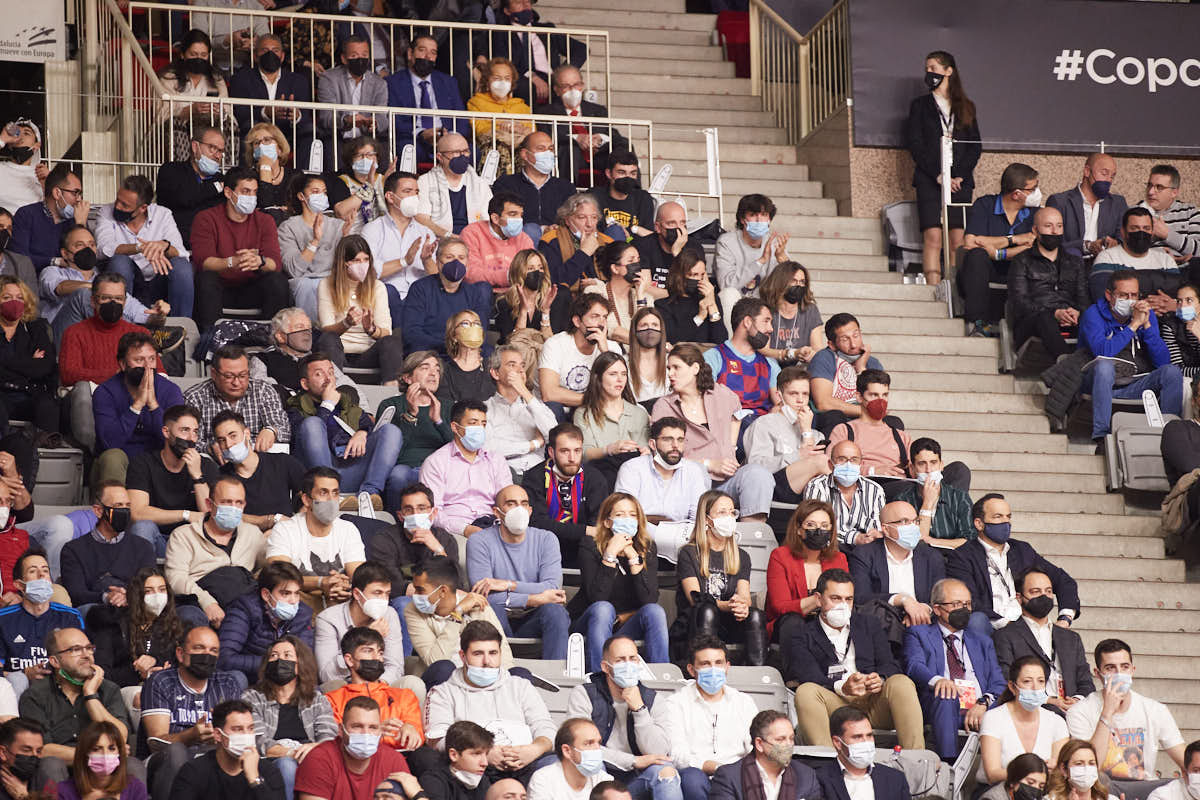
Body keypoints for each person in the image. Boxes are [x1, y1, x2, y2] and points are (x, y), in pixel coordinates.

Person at [787, 568, 924, 750]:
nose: (843, 605)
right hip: (835, 703)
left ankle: (917, 760)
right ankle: (827, 765)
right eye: (835, 598)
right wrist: (842, 687)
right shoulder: (801, 633)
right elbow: (808, 675)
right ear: (819, 599)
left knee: (901, 682)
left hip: (873, 701)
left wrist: (880, 679)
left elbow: (889, 664)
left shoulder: (869, 624)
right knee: (806, 691)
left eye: (848, 599)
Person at [422, 620, 556, 782]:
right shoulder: (442, 693)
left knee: (554, 765)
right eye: (478, 654)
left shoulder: (521, 686)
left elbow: (545, 726)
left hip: (526, 762)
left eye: (493, 653)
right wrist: (482, 753)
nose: (487, 661)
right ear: (463, 656)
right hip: (474, 768)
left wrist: (534, 749)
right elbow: (438, 740)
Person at [948, 493, 1080, 640]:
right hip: (991, 626)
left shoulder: (1022, 550)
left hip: (1026, 623)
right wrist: (1007, 625)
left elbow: (1063, 580)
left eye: (1008, 517)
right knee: (976, 620)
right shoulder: (962, 556)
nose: (1006, 523)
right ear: (979, 523)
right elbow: (970, 602)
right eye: (998, 517)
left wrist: (1065, 618)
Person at [903, 577, 1007, 760]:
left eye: (967, 604)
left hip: (980, 707)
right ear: (937, 609)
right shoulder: (919, 634)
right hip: (941, 704)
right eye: (957, 604)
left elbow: (998, 682)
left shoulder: (982, 641)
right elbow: (914, 665)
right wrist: (938, 681)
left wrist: (983, 703)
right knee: (946, 695)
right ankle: (949, 764)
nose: (964, 609)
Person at [564, 636, 676, 800]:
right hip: (599, 775)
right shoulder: (584, 694)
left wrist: (640, 710)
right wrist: (633, 760)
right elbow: (580, 748)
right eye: (620, 660)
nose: (628, 665)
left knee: (665, 770)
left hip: (635, 780)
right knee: (594, 763)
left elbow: (658, 753)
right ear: (605, 667)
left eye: (632, 659)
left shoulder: (653, 699)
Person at [139, 625, 244, 799]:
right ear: (180, 654)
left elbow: (237, 734)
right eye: (199, 648)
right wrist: (191, 735)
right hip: (164, 762)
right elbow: (156, 741)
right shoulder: (161, 681)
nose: (206, 655)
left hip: (212, 759)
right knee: (176, 751)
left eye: (213, 651)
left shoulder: (227, 684)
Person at [905, 50, 981, 286]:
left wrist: (958, 175)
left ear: (949, 71)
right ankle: (933, 288)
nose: (929, 73)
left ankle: (956, 288)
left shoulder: (966, 106)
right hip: (930, 179)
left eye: (934, 68)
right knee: (933, 236)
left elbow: (974, 146)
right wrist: (938, 175)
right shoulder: (919, 106)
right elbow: (915, 144)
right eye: (927, 68)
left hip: (960, 182)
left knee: (957, 238)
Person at [465, 484, 569, 659]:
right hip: (497, 616)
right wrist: (534, 599)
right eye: (511, 504)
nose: (518, 509)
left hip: (533, 617)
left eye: (523, 504)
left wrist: (507, 584)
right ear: (497, 512)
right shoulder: (479, 541)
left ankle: (556, 674)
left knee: (555, 612)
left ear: (529, 510)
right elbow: (483, 597)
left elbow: (553, 588)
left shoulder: (546, 539)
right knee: (488, 607)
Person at [1079, 270, 1183, 442]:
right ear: (1109, 295)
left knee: (1171, 372)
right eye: (1123, 295)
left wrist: (1148, 324)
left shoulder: (1144, 315)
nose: (1129, 300)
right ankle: (1101, 436)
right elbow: (1103, 352)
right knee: (1105, 366)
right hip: (1098, 383)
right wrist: (1134, 325)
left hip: (1134, 383)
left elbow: (1163, 362)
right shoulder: (1093, 314)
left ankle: (1169, 436)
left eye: (1134, 295)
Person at [1066, 639, 1185, 786]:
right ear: (1098, 673)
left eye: (1124, 667)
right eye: (1110, 668)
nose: (1119, 673)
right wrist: (1107, 713)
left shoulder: (1155, 710)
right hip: (1100, 791)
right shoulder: (1079, 712)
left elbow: (1185, 760)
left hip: (1145, 790)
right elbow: (1089, 767)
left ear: (1132, 670)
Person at [567, 494, 666, 670]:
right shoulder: (590, 545)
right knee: (604, 608)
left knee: (655, 611)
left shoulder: (647, 547)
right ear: (607, 522)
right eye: (620, 515)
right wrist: (610, 554)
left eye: (632, 515)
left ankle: (661, 675)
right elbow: (597, 597)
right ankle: (600, 676)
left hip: (624, 627)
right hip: (590, 622)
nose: (627, 520)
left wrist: (633, 557)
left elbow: (649, 600)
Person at [288, 353, 400, 507]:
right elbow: (299, 439)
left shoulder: (347, 404)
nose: (328, 379)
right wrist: (327, 405)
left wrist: (362, 433)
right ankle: (328, 493)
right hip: (316, 475)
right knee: (312, 423)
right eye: (319, 374)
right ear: (305, 384)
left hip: (351, 467)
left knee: (390, 431)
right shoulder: (295, 408)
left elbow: (369, 425)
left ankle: (369, 494)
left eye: (331, 372)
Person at [672, 490, 766, 666]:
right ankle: (704, 666)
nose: (729, 517)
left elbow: (744, 594)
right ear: (707, 519)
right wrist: (726, 605)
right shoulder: (689, 553)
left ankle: (757, 671)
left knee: (755, 615)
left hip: (729, 623)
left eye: (732, 512)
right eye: (722, 512)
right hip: (696, 622)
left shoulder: (741, 556)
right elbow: (695, 598)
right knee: (707, 611)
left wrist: (742, 605)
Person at [18, 626, 132, 769]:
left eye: (89, 648)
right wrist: (94, 756)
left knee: (133, 766)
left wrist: (91, 695)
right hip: (61, 768)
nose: (87, 655)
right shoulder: (35, 695)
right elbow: (42, 749)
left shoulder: (108, 689)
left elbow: (120, 738)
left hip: (105, 770)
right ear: (55, 662)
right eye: (76, 650)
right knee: (51, 765)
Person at [189, 166, 289, 330]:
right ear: (228, 193)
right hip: (220, 288)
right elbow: (204, 262)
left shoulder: (265, 221)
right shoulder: (206, 218)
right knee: (205, 279)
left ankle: (273, 339)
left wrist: (260, 261)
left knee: (277, 281)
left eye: (254, 192)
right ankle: (210, 339)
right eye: (245, 191)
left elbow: (275, 263)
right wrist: (232, 262)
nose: (251, 197)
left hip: (253, 287)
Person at [163, 475, 266, 628]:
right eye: (226, 502)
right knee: (189, 616)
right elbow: (176, 579)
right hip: (198, 602)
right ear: (209, 504)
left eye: (239, 503)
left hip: (241, 604)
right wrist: (207, 602)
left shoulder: (253, 534)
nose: (233, 508)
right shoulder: (183, 535)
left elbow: (270, 567)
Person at [661, 635, 756, 797]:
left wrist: (735, 771)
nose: (713, 669)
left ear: (727, 667)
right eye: (705, 664)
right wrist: (711, 766)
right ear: (691, 670)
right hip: (698, 773)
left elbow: (754, 746)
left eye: (718, 663)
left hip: (737, 773)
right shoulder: (675, 703)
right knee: (692, 778)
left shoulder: (743, 702)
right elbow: (676, 754)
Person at [992, 568, 1095, 714]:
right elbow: (1007, 679)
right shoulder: (1005, 636)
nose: (1044, 596)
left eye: (1048, 591)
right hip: (1032, 711)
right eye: (1035, 591)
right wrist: (1048, 700)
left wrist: (1076, 700)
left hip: (1074, 712)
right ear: (1019, 598)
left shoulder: (1071, 638)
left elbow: (1086, 681)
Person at [41, 227, 168, 342]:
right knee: (85, 295)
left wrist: (159, 314)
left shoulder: (106, 280)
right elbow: (60, 287)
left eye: (92, 244)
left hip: (97, 341)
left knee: (114, 300)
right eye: (80, 245)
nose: (87, 249)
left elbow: (141, 314)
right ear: (65, 253)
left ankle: (144, 338)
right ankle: (137, 339)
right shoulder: (52, 272)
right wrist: (98, 289)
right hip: (61, 338)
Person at [124, 401, 218, 556]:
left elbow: (210, 515)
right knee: (142, 527)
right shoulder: (143, 463)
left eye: (195, 432)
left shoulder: (206, 466)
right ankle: (146, 579)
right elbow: (137, 513)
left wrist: (197, 476)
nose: (191, 438)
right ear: (166, 432)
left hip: (192, 543)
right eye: (184, 430)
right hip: (157, 538)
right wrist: (186, 515)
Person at [95, 174, 194, 319]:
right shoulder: (106, 212)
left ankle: (180, 328)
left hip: (158, 280)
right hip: (127, 279)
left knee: (182, 266)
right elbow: (103, 249)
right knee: (120, 261)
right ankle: (119, 325)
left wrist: (164, 246)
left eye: (125, 205)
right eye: (118, 200)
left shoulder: (163, 214)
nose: (117, 206)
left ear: (142, 208)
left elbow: (181, 252)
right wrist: (140, 247)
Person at [959, 162, 1040, 338]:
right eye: (1033, 189)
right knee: (977, 255)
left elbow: (1034, 245)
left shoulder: (1035, 214)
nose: (1037, 193)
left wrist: (998, 252)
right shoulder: (985, 205)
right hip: (984, 272)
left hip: (1019, 271)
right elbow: (971, 241)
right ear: (1017, 194)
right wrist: (1014, 240)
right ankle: (978, 323)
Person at [266, 467, 365, 609]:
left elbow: (359, 576)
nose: (331, 500)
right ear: (306, 500)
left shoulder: (348, 529)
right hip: (298, 607)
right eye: (323, 492)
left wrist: (341, 585)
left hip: (340, 604)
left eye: (335, 493)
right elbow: (278, 576)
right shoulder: (285, 530)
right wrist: (321, 583)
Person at [403, 556, 513, 683]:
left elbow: (503, 654)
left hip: (478, 678)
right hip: (440, 682)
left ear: (442, 591)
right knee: (444, 668)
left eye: (420, 590)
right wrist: (457, 614)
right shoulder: (412, 610)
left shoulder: (478, 604)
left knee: (518, 674)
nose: (414, 594)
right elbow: (435, 661)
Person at [91, 331, 184, 482]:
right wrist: (137, 405)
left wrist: (153, 405)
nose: (147, 366)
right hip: (120, 461)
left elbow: (176, 441)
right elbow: (109, 442)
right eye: (139, 360)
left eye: (152, 359)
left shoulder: (170, 391)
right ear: (122, 364)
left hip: (157, 461)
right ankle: (116, 505)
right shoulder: (105, 392)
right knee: (113, 457)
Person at [1007, 206, 1090, 360]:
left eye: (1059, 226)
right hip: (1032, 323)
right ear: (1035, 230)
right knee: (1044, 317)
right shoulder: (1022, 261)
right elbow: (1019, 304)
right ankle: (1066, 363)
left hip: (1070, 320)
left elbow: (1083, 300)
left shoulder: (1075, 262)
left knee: (1093, 316)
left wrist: (1076, 312)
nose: (1054, 231)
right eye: (1048, 226)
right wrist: (1055, 313)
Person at [294, 694, 415, 800]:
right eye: (357, 726)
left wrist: (418, 795)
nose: (365, 733)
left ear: (380, 731)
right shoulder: (319, 759)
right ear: (341, 730)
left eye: (373, 727)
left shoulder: (393, 761)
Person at [419, 400, 513, 536]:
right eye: (473, 423)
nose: (480, 428)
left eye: (483, 424)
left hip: (494, 528)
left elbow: (507, 501)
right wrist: (464, 529)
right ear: (455, 427)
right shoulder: (435, 462)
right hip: (455, 532)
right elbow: (431, 511)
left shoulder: (496, 460)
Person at [521, 423, 607, 569]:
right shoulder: (534, 477)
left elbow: (597, 525)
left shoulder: (595, 478)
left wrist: (587, 532)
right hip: (544, 545)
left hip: (582, 548)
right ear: (551, 452)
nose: (572, 458)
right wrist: (584, 530)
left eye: (577, 451)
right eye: (565, 451)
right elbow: (537, 523)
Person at [58, 482, 156, 610]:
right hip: (95, 612)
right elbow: (76, 594)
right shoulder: (73, 549)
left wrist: (128, 597)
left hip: (133, 610)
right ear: (98, 511)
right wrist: (106, 597)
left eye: (127, 506)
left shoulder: (143, 547)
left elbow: (150, 588)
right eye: (118, 506)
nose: (124, 511)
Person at [847, 499, 945, 626]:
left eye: (915, 521)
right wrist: (902, 599)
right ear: (886, 529)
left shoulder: (931, 556)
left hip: (923, 623)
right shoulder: (864, 555)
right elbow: (861, 597)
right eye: (904, 521)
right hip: (882, 622)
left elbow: (941, 597)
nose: (913, 526)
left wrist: (924, 610)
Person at [322, 626, 424, 749]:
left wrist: (411, 729)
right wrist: (375, 733)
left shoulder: (404, 695)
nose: (377, 657)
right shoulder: (332, 700)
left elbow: (417, 737)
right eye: (368, 651)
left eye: (380, 653)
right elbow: (334, 742)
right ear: (349, 660)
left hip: (400, 759)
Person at [0, 550, 84, 697]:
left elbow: (82, 660)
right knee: (17, 679)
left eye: (45, 571)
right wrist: (25, 673)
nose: (42, 575)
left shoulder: (70, 617)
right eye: (33, 571)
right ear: (19, 585)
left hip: (60, 687)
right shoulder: (4, 619)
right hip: (19, 689)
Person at [88, 566, 184, 690]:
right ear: (136, 595)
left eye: (162, 590)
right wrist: (138, 672)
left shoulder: (173, 625)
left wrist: (160, 670)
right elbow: (101, 674)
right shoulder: (113, 625)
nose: (157, 596)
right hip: (123, 692)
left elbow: (181, 668)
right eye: (149, 591)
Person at [764, 500, 847, 644]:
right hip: (788, 625)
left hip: (827, 622)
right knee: (793, 621)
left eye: (824, 526)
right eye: (810, 525)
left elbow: (844, 599)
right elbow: (780, 607)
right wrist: (818, 600)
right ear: (798, 529)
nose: (818, 530)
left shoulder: (838, 558)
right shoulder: (780, 556)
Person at [169, 698, 285, 800]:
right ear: (218, 735)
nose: (246, 735)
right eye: (238, 729)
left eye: (250, 728)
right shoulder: (193, 771)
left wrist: (255, 779)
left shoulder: (268, 771)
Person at [313, 561, 409, 685]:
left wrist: (377, 685)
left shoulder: (389, 614)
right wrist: (366, 637)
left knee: (412, 683)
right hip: (345, 688)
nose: (384, 600)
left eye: (387, 594)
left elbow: (395, 666)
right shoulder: (328, 619)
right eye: (377, 593)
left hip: (380, 685)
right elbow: (326, 676)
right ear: (357, 594)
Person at [184, 345, 292, 455]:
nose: (236, 382)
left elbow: (284, 429)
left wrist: (272, 431)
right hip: (215, 463)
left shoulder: (263, 390)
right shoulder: (195, 398)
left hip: (259, 459)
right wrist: (210, 448)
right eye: (229, 376)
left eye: (242, 375)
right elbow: (189, 443)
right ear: (214, 374)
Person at [210, 410, 305, 533]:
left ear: (247, 434)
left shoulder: (282, 462)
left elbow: (312, 496)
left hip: (287, 537)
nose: (228, 444)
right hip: (245, 540)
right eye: (222, 440)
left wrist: (294, 526)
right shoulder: (221, 477)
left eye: (233, 436)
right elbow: (221, 516)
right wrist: (270, 520)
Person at [217, 562, 314, 682]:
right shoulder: (244, 609)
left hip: (286, 679)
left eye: (297, 593)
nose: (293, 601)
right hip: (251, 679)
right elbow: (225, 658)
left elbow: (306, 660)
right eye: (286, 593)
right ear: (266, 595)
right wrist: (272, 663)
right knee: (237, 678)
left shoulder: (302, 615)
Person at [980, 656, 1069, 784]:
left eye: (1041, 681)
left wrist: (1057, 769)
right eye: (1027, 681)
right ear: (1012, 686)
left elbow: (1061, 772)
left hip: (1041, 792)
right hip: (1001, 790)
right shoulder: (993, 718)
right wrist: (1030, 774)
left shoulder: (1056, 722)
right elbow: (992, 774)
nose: (1035, 687)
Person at [743, 367, 827, 503]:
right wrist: (797, 456)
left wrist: (807, 431)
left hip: (805, 489)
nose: (800, 400)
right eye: (793, 394)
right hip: (771, 485)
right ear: (779, 395)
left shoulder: (816, 435)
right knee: (821, 460)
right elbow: (755, 466)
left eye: (805, 394)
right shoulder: (764, 424)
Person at [361, 172, 436, 322]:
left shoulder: (426, 232)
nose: (414, 197)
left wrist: (427, 260)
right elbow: (369, 273)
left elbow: (437, 277)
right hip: (388, 300)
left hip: (420, 300)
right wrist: (404, 261)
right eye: (407, 192)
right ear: (390, 197)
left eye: (416, 192)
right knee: (388, 291)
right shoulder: (372, 230)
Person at [280, 175, 355, 323]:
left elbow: (349, 266)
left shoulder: (338, 225)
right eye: (315, 191)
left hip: (333, 279)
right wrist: (315, 241)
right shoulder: (288, 227)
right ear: (301, 196)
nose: (321, 196)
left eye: (324, 192)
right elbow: (294, 270)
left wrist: (345, 238)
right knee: (309, 285)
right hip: (305, 281)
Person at [613, 416, 710, 531]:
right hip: (640, 537)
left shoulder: (693, 471)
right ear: (653, 444)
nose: (675, 445)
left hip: (680, 539)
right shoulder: (632, 468)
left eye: (680, 440)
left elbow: (698, 519)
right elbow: (625, 517)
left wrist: (649, 518)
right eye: (668, 439)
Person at [533, 65, 628, 182]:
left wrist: (600, 138)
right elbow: (547, 137)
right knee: (570, 149)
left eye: (576, 85)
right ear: (556, 90)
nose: (572, 90)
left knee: (624, 145)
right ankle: (568, 194)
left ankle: (632, 192)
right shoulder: (546, 112)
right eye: (566, 86)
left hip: (598, 156)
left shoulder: (598, 110)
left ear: (582, 86)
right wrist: (576, 138)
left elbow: (611, 133)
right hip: (569, 157)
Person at [401, 236, 493, 356]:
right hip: (431, 352)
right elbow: (412, 333)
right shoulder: (420, 288)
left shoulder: (474, 293)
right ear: (438, 262)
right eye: (449, 257)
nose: (456, 262)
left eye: (461, 258)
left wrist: (461, 347)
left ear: (467, 263)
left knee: (489, 352)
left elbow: (479, 332)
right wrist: (449, 346)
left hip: (464, 352)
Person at [227, 33, 314, 156]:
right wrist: (265, 112)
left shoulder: (299, 81)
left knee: (309, 130)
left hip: (289, 133)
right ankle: (248, 173)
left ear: (282, 56)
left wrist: (296, 115)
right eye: (265, 50)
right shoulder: (241, 79)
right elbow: (240, 113)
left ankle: (303, 174)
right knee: (248, 127)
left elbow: (305, 115)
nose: (270, 54)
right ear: (256, 56)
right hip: (257, 131)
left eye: (275, 50)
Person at [385, 35, 470, 159]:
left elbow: (462, 118)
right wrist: (421, 133)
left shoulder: (448, 82)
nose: (428, 56)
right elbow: (394, 120)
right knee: (409, 151)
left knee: (472, 152)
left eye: (433, 53)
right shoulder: (393, 82)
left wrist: (449, 135)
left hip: (447, 138)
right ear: (410, 54)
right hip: (413, 138)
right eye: (422, 50)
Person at [155, 28, 235, 159]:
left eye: (203, 55)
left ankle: (227, 171)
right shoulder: (168, 78)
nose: (199, 59)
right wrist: (187, 111)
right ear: (183, 54)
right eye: (193, 54)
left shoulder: (217, 80)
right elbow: (160, 116)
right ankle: (182, 171)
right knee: (175, 123)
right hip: (179, 130)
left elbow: (229, 112)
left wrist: (219, 112)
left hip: (209, 131)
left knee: (230, 126)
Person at [379, 351, 451, 496]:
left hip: (439, 469)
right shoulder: (391, 405)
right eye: (425, 368)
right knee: (398, 475)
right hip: (405, 467)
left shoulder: (449, 406)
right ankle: (394, 519)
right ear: (407, 378)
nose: (433, 374)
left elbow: (457, 449)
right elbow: (387, 454)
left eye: (437, 369)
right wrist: (411, 415)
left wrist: (438, 421)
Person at [251, 308, 360, 402]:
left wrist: (367, 413)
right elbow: (262, 389)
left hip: (324, 415)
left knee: (348, 391)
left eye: (308, 328)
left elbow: (348, 385)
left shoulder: (320, 360)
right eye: (300, 327)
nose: (307, 333)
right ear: (280, 336)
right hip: (286, 416)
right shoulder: (263, 359)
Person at [709, 711, 820, 800]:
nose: (788, 745)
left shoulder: (807, 776)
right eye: (780, 739)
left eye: (791, 738)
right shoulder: (729, 777)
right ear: (759, 744)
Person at [539, 293, 622, 413]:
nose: (601, 323)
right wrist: (595, 399)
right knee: (552, 407)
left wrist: (605, 354)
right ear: (577, 321)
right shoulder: (556, 344)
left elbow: (618, 389)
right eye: (595, 316)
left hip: (592, 411)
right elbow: (549, 393)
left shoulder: (611, 348)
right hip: (561, 411)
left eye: (604, 317)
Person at [486, 346, 557, 479]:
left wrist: (524, 392)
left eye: (522, 365)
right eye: (512, 365)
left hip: (538, 474)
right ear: (496, 373)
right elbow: (490, 450)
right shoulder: (485, 409)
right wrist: (534, 444)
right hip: (503, 474)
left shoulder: (536, 406)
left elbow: (556, 436)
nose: (520, 370)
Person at [701, 297, 781, 416]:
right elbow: (705, 401)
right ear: (747, 322)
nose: (771, 329)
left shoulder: (770, 364)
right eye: (766, 321)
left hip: (760, 428)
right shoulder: (713, 357)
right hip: (725, 426)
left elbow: (781, 403)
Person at [315, 36, 389, 162]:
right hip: (338, 137)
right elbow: (326, 118)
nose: (360, 59)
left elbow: (383, 118)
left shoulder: (379, 83)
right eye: (354, 56)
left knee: (384, 147)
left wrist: (374, 124)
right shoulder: (328, 79)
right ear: (344, 59)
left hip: (368, 139)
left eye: (364, 55)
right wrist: (346, 121)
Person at [807, 313, 884, 435]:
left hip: (864, 419)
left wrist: (861, 369)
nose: (853, 344)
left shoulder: (872, 363)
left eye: (856, 336)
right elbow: (823, 403)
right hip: (833, 419)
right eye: (845, 339)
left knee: (894, 422)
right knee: (835, 416)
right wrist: (865, 411)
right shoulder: (824, 358)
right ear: (832, 344)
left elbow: (878, 400)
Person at [0, 276, 58, 434]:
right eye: (7, 297)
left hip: (29, 394)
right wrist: (28, 362)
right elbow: (33, 368)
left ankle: (48, 445)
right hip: (2, 396)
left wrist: (5, 362)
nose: (14, 302)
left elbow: (44, 367)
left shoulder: (36, 328)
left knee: (47, 405)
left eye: (19, 298)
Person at [816, 706, 912, 800]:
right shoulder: (818, 780)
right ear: (838, 743)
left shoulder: (895, 779)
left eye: (869, 735)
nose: (866, 742)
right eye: (857, 737)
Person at [801, 440, 885, 548]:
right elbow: (816, 529)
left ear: (861, 464)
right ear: (830, 464)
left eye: (854, 460)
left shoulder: (875, 490)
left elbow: (878, 527)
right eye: (841, 459)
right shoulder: (817, 486)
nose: (848, 465)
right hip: (828, 548)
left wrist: (875, 535)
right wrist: (855, 538)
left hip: (866, 549)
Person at [155, 126, 228, 245]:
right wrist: (216, 188)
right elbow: (184, 198)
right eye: (213, 148)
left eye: (220, 151)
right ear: (195, 146)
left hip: (211, 246)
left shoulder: (220, 179)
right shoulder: (171, 170)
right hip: (173, 246)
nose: (217, 156)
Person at [575, 354, 650, 468]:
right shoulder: (583, 414)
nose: (620, 379)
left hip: (634, 472)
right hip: (601, 472)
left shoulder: (639, 413)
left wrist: (646, 451)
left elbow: (645, 450)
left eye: (624, 374)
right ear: (598, 377)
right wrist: (609, 449)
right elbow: (584, 453)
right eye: (613, 374)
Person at [1091, 209, 1182, 303]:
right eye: (1135, 228)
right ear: (1123, 232)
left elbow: (1179, 296)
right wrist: (1147, 307)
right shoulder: (1107, 258)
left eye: (1146, 228)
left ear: (1152, 232)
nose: (1141, 233)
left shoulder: (1166, 260)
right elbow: (1103, 298)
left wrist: (1170, 305)